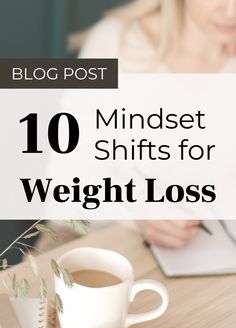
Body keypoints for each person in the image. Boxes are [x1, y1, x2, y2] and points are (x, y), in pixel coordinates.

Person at [68, 0, 236, 248]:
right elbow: (69, 179)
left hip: (208, 251)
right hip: (89, 243)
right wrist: (138, 216)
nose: (231, 12)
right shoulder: (114, 43)